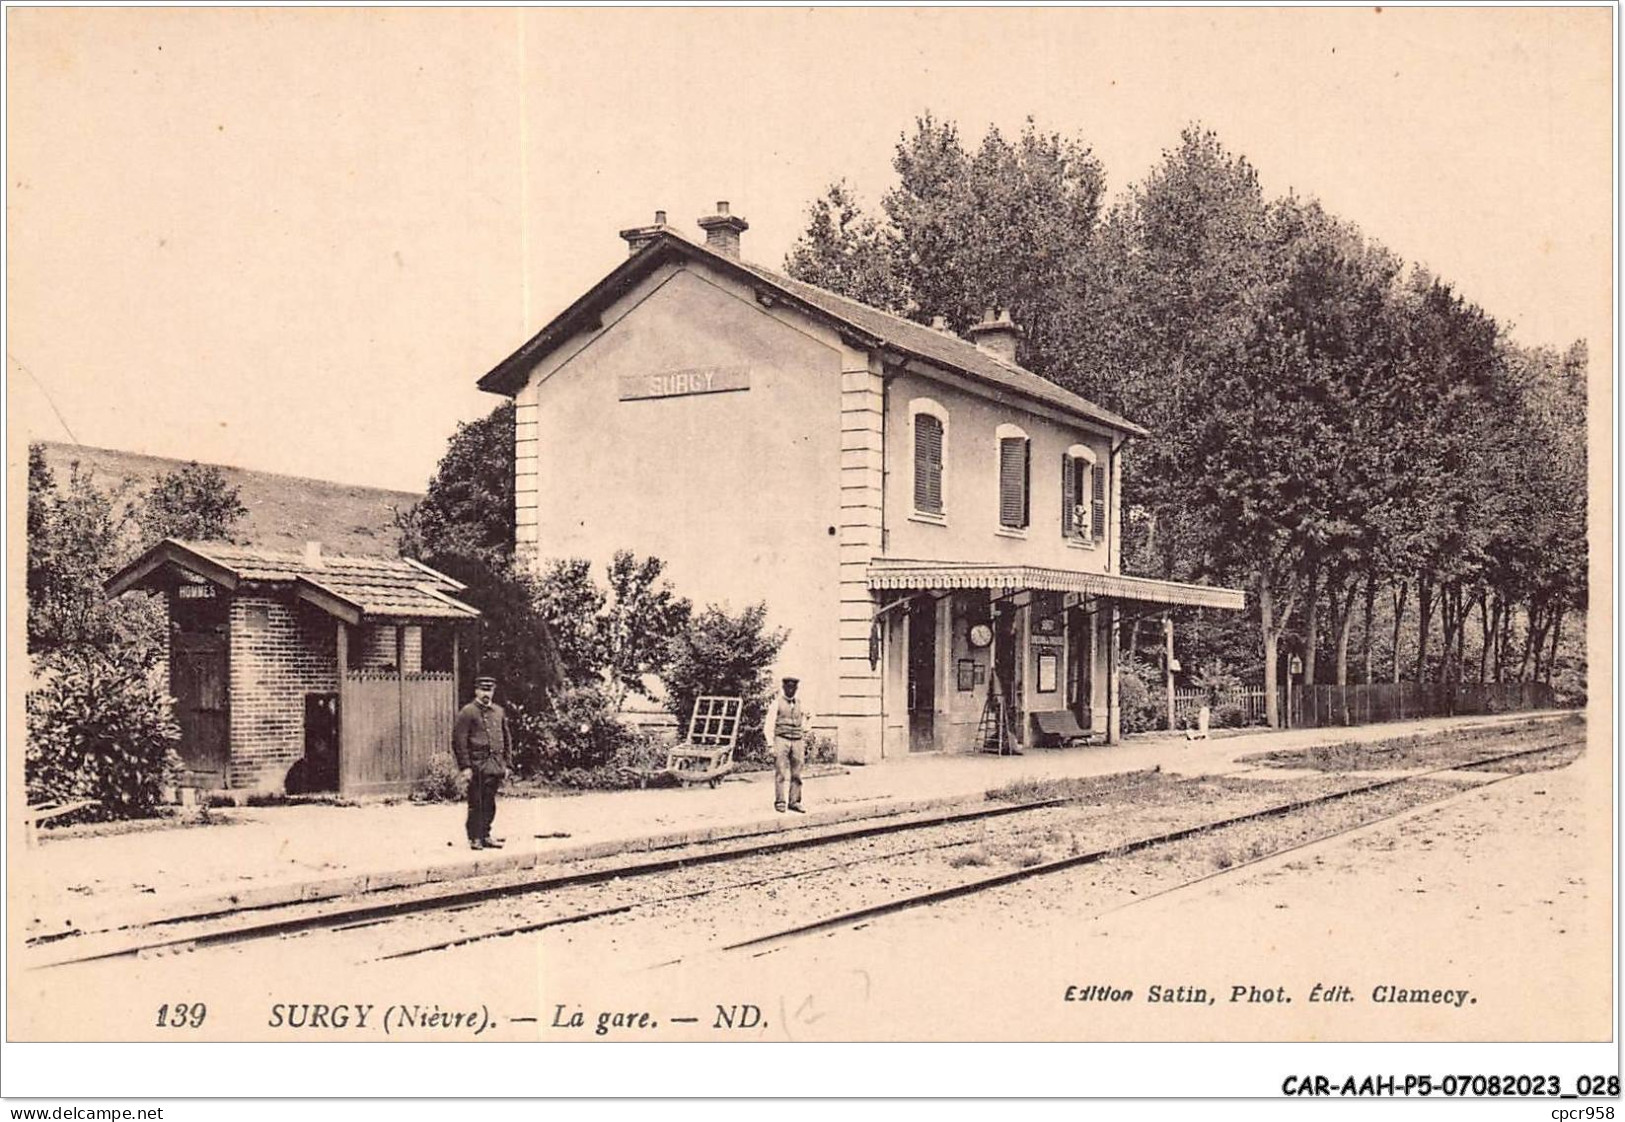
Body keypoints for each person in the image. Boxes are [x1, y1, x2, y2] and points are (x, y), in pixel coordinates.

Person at [452, 674, 511, 850]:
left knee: (489, 803)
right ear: (476, 690)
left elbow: (507, 739)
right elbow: (459, 741)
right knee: (476, 802)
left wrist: (508, 764)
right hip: (477, 765)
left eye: (489, 690)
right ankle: (474, 837)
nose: (486, 693)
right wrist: (465, 767)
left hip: (494, 765)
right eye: (483, 689)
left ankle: (486, 834)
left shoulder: (498, 711)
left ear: (494, 691)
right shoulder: (468, 712)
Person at [764, 675, 811, 813]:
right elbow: (769, 724)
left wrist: (806, 727)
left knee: (797, 773)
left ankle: (795, 802)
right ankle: (780, 802)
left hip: (797, 740)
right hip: (781, 739)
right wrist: (770, 745)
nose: (791, 690)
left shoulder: (801, 703)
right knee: (781, 772)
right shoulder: (776, 703)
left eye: (793, 687)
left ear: (796, 688)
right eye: (788, 687)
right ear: (784, 687)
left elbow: (807, 720)